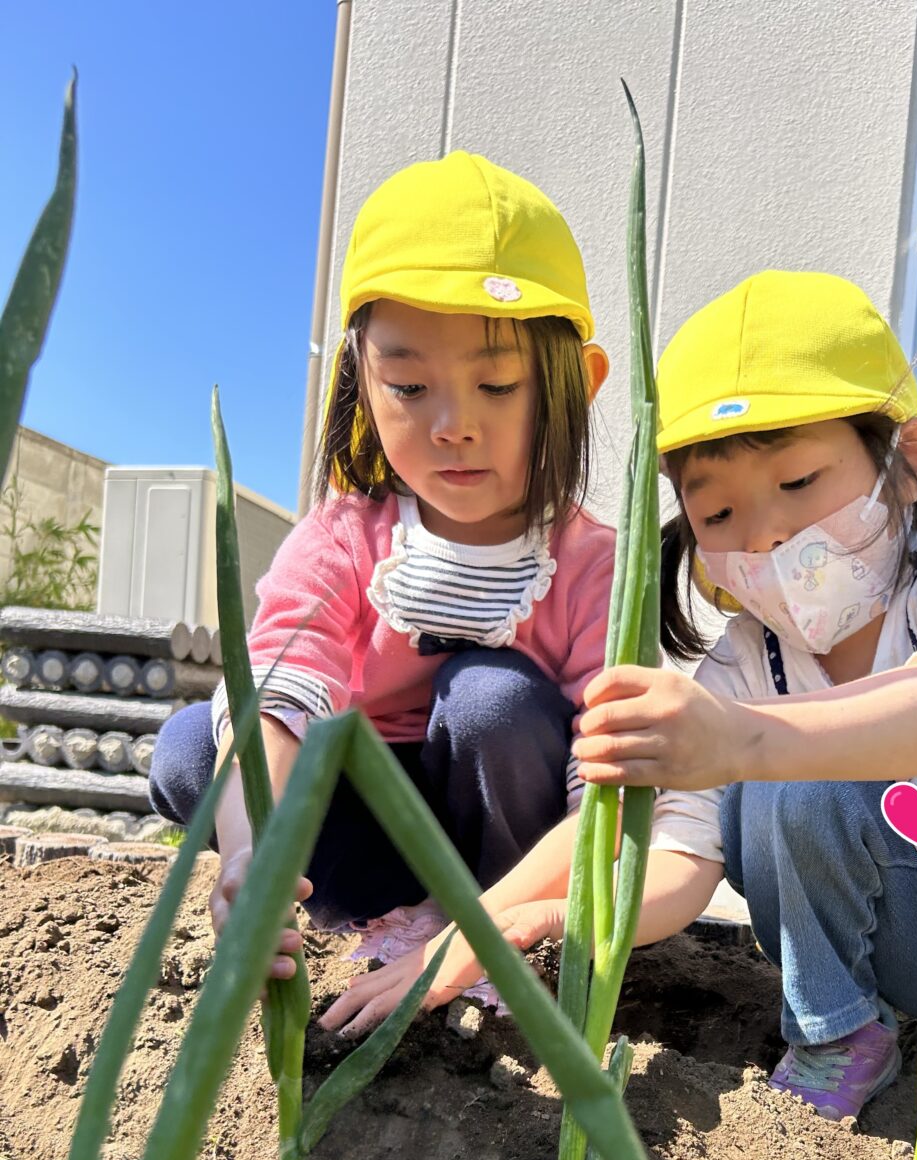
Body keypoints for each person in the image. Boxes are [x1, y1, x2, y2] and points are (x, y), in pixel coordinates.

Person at [530, 271, 917, 1160]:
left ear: (906, 461)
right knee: (789, 771)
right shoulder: (747, 664)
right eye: (720, 514)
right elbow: (678, 858)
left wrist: (745, 739)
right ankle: (839, 1032)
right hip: (913, 953)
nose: (770, 536)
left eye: (798, 481)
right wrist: (519, 922)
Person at [149, 151, 615, 1022]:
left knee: (491, 700)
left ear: (576, 386)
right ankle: (370, 920)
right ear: (361, 384)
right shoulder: (344, 536)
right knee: (191, 750)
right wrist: (256, 850)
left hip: (510, 848)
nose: (454, 426)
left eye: (498, 384)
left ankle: (494, 943)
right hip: (367, 824)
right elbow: (282, 695)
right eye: (408, 385)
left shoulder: (590, 566)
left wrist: (500, 920)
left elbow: (610, 790)